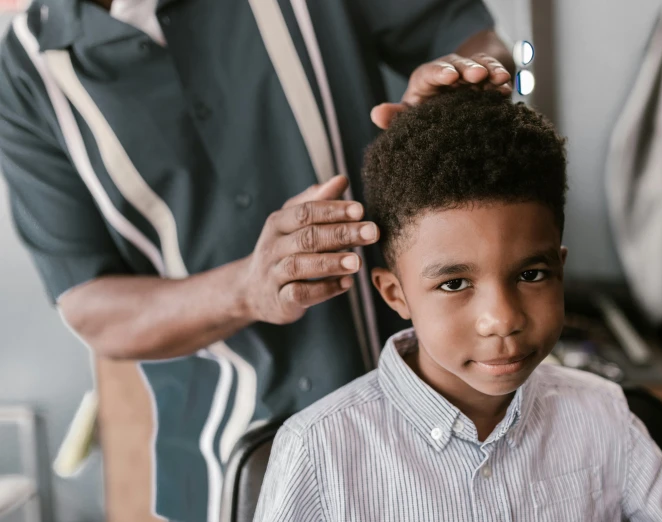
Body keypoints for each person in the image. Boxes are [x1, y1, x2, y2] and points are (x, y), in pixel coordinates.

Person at [0, 1, 514, 520]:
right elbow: (89, 306)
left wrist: (465, 90)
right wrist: (246, 288)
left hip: (439, 425)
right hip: (223, 470)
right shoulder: (23, 72)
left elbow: (480, 43)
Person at [254, 88, 662, 521]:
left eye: (531, 275)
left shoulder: (603, 416)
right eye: (455, 284)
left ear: (560, 268)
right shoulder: (318, 450)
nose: (503, 320)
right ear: (396, 294)